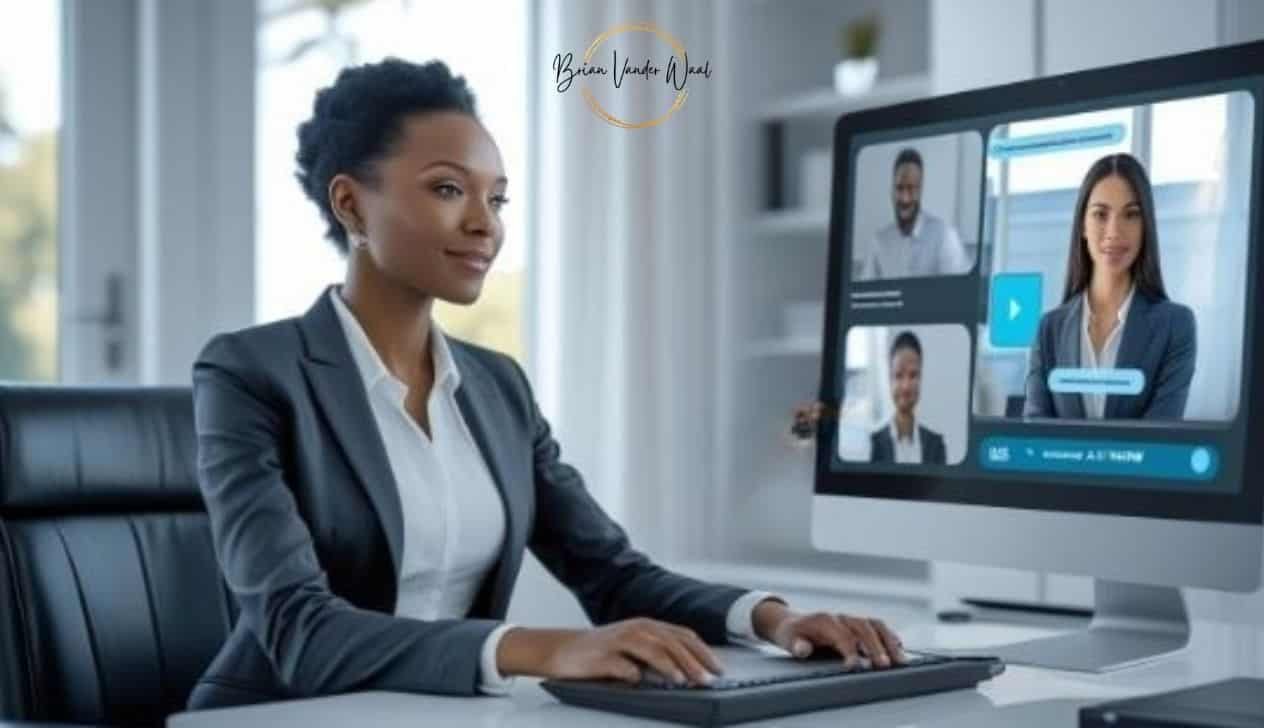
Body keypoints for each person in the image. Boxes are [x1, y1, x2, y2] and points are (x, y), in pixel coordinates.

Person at [187, 58, 906, 711]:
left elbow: (613, 574)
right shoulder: (250, 375)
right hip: (278, 714)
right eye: (447, 190)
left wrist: (776, 622)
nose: (484, 226)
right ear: (350, 206)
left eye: (496, 200)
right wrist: (543, 647)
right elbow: (297, 628)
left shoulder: (497, 387)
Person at [1023, 153, 1196, 420]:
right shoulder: (1049, 330)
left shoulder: (1175, 326)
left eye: (1131, 214)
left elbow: (1160, 443)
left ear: (1145, 226)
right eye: (1100, 214)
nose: (1114, 231)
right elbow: (1035, 438)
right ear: (1083, 224)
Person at [856, 147, 970, 281]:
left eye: (911, 188)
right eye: (899, 188)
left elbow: (959, 295)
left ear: (920, 190)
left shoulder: (945, 237)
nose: (905, 198)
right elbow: (866, 297)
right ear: (892, 190)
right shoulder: (878, 242)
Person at [869, 332, 947, 465]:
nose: (906, 386)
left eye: (913, 375)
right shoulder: (874, 444)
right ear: (889, 379)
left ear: (921, 378)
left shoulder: (936, 445)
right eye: (899, 375)